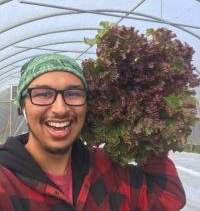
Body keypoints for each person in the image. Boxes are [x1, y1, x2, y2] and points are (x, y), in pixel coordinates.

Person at [0, 53, 186, 211]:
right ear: (22, 106)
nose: (60, 109)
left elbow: (167, 198)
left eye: (73, 94)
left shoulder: (106, 167)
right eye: (43, 94)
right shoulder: (6, 182)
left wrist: (146, 125)